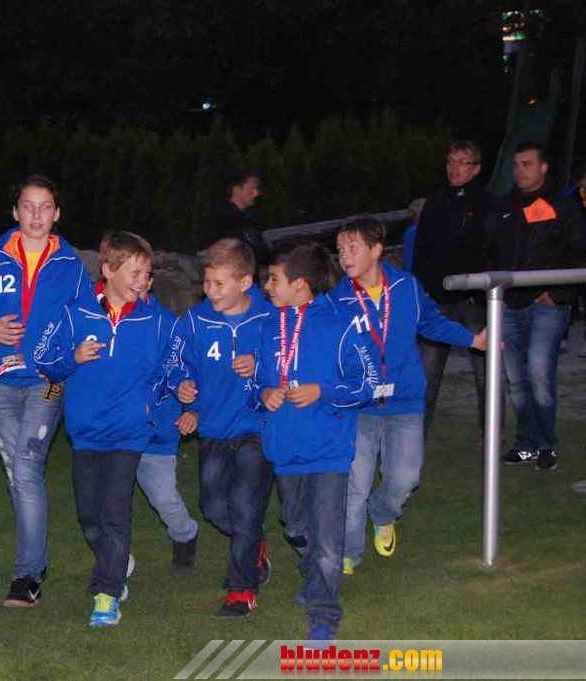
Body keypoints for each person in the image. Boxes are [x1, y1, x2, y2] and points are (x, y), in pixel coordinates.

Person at [332, 217, 486, 575]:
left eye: (353, 248)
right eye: (340, 250)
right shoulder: (337, 299)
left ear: (376, 250)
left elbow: (431, 322)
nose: (344, 256)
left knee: (405, 479)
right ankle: (348, 552)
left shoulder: (406, 287)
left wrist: (473, 340)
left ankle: (383, 513)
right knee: (355, 484)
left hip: (405, 402)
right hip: (359, 406)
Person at [0, 174, 90, 607]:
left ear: (57, 213)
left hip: (48, 382)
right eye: (28, 206)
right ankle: (38, 560)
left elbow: (85, 321)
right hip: (1, 382)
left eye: (45, 206)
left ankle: (28, 574)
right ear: (15, 211)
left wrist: (69, 355)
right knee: (20, 475)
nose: (36, 215)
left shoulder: (71, 266)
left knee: (27, 466)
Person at [34, 231, 171, 627]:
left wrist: (151, 400)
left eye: (147, 274)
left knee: (114, 512)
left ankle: (107, 593)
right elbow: (44, 360)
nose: (143, 281)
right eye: (135, 273)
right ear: (108, 270)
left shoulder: (156, 319)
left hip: (129, 432)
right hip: (86, 432)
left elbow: (172, 365)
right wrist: (73, 357)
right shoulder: (75, 313)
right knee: (89, 515)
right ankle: (117, 559)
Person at [252, 241, 375, 645]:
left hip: (328, 450)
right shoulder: (267, 326)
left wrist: (324, 391)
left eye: (274, 279)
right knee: (295, 525)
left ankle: (323, 613)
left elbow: (368, 383)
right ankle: (316, 572)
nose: (267, 286)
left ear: (300, 283)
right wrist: (264, 393)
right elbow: (255, 383)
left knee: (326, 540)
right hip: (285, 448)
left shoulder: (343, 323)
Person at [167, 238, 275, 617]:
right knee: (214, 507)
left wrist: (259, 367)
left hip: (257, 427)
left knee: (245, 505)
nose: (209, 291)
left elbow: (289, 363)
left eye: (218, 284)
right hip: (214, 428)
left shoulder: (270, 318)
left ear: (245, 282)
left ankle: (241, 590)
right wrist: (184, 392)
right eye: (207, 282)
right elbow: (178, 364)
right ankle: (254, 540)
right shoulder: (195, 321)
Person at [489, 142, 586, 471]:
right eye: (516, 165)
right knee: (516, 380)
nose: (519, 171)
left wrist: (557, 294)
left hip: (546, 306)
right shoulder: (504, 207)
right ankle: (526, 444)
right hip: (508, 304)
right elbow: (491, 251)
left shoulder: (563, 206)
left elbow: (579, 252)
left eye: (527, 164)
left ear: (543, 168)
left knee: (539, 373)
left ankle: (547, 445)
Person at [413, 141, 493, 434]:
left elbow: (495, 251)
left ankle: (492, 436)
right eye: (450, 161)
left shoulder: (489, 203)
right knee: (426, 375)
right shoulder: (435, 203)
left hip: (475, 303)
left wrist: (485, 294)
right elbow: (421, 252)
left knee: (486, 376)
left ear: (476, 168)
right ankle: (415, 440)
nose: (454, 168)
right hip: (438, 303)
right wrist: (421, 292)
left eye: (462, 162)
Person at [135, 277, 200, 578]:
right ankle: (112, 564)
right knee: (104, 502)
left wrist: (190, 410)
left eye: (140, 275)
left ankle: (185, 534)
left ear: (149, 282)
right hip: (110, 432)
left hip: (157, 432)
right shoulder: (97, 319)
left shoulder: (172, 327)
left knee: (163, 496)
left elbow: (187, 373)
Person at [210, 170, 268, 266]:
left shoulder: (249, 216)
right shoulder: (225, 219)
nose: (256, 193)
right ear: (236, 190)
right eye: (252, 189)